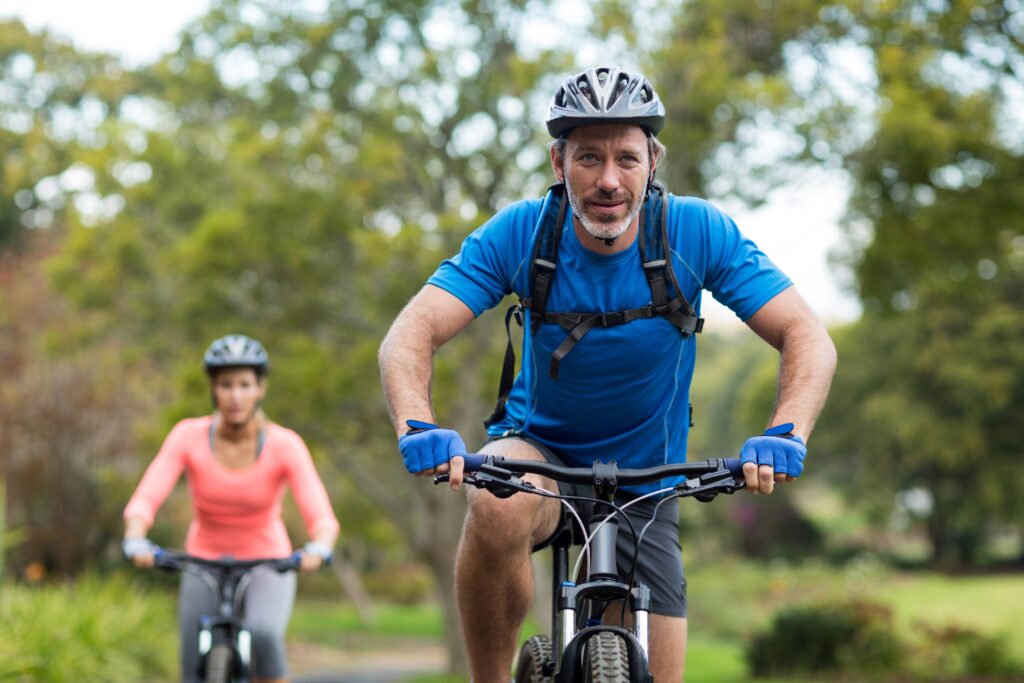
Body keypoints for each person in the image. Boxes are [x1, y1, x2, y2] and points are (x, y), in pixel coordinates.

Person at [378, 66, 837, 682]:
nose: (609, 180)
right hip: (543, 457)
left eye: (626, 156)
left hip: (653, 478)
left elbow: (806, 335)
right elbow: (410, 333)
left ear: (653, 160)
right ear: (558, 162)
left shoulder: (694, 231)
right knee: (495, 498)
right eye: (588, 157)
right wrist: (415, 424)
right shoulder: (522, 231)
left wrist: (786, 430)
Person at [122, 334, 340, 683]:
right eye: (226, 385)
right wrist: (136, 538)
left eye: (244, 384)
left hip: (269, 563)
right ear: (213, 388)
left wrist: (320, 547)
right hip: (202, 560)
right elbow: (145, 499)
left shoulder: (285, 445)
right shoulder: (187, 436)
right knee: (191, 663)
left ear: (260, 389)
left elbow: (322, 518)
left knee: (265, 635)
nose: (235, 395)